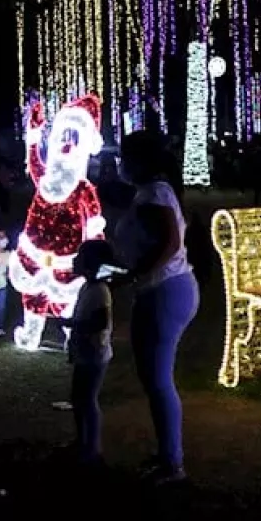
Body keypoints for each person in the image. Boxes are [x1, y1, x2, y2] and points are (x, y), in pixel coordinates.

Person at [111, 131, 199, 484]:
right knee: (154, 379)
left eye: (124, 157)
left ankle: (172, 463)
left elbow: (169, 243)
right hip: (162, 289)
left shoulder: (156, 193)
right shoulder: (151, 192)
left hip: (164, 291)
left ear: (140, 161)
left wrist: (135, 274)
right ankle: (167, 455)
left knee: (159, 380)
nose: (120, 164)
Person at [55, 240, 115, 464]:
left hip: (94, 355)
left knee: (87, 400)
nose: (74, 260)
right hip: (86, 353)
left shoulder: (99, 291)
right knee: (78, 398)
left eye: (79, 257)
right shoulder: (88, 287)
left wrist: (73, 326)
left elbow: (99, 322)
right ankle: (82, 441)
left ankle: (92, 447)